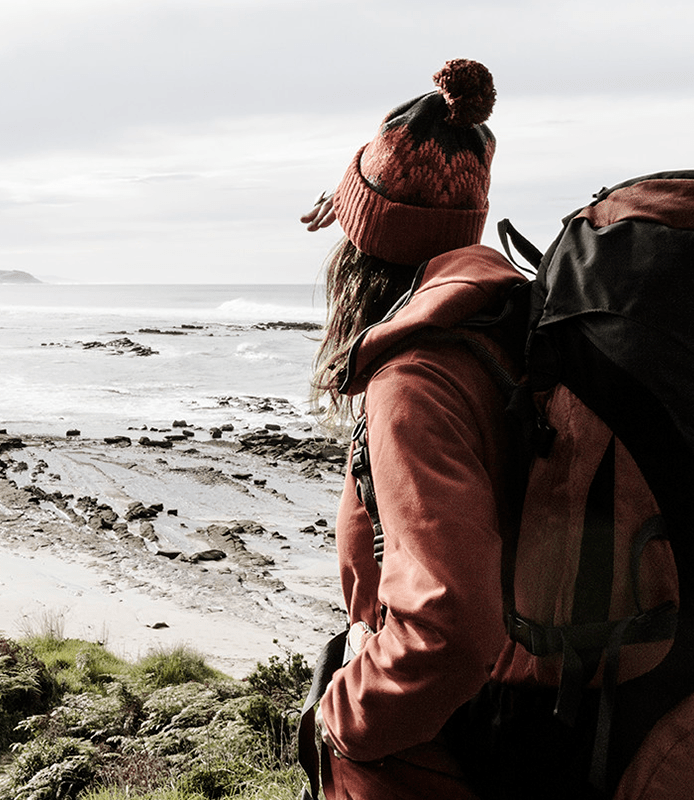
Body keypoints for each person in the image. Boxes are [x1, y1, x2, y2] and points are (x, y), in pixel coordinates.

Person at [299, 59, 526, 799]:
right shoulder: (504, 328)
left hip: (430, 759)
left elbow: (453, 629)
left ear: (359, 252)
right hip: (508, 730)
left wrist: (344, 719)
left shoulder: (412, 381)